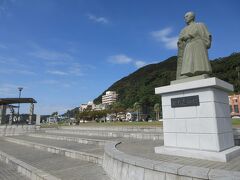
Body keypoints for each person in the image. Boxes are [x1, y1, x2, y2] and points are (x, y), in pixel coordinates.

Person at [176, 12, 212, 79]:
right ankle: (188, 73)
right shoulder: (183, 29)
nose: (185, 18)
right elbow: (180, 40)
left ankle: (201, 71)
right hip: (188, 45)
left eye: (186, 16)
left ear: (192, 17)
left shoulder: (200, 25)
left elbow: (207, 35)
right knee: (188, 60)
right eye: (184, 17)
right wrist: (181, 40)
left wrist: (192, 36)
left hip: (198, 44)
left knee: (199, 59)